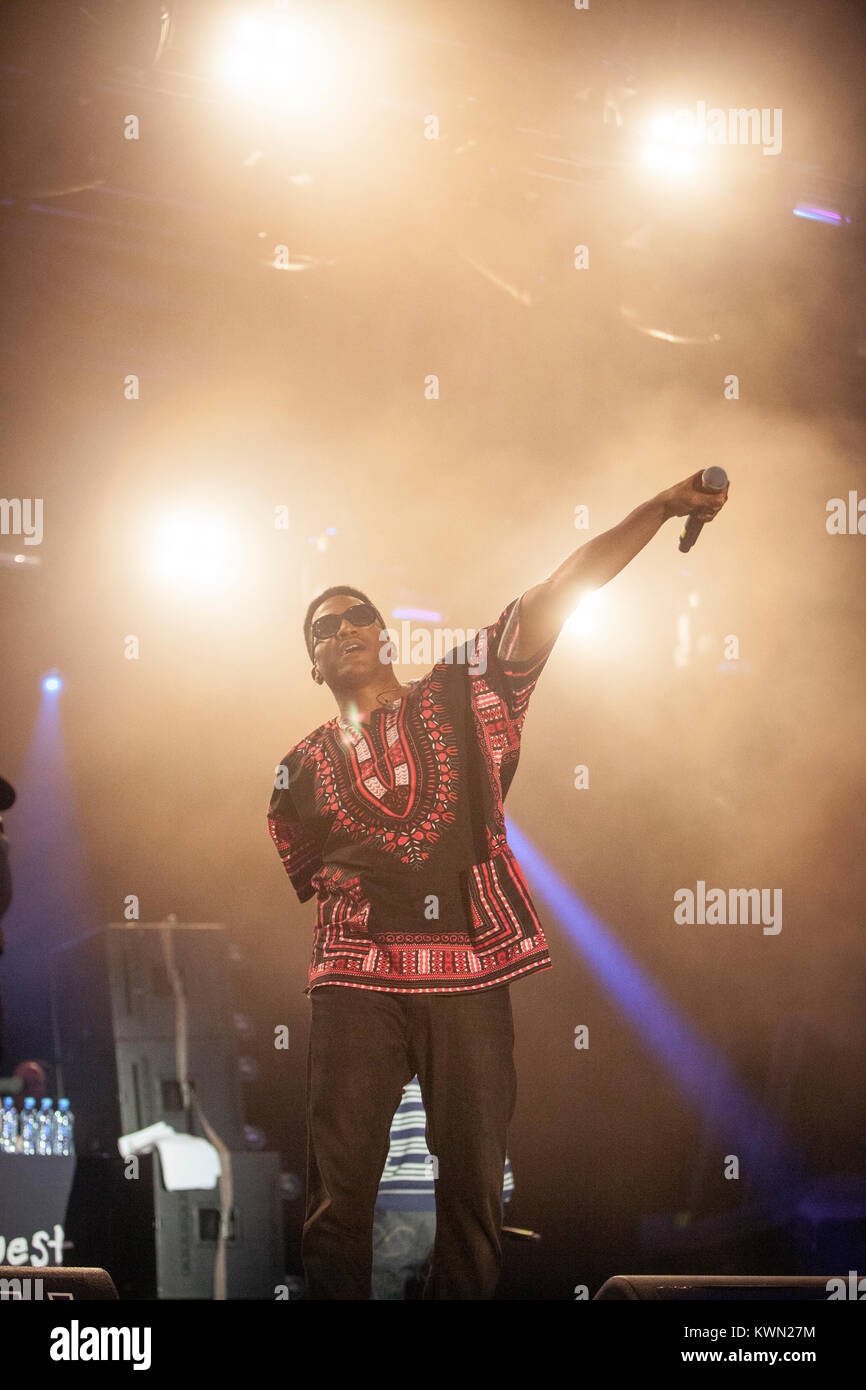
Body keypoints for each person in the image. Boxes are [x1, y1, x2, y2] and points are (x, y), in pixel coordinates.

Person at [267, 470, 728, 1299]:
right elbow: (309, 869)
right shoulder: (296, 770)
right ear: (312, 664)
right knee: (339, 1200)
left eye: (360, 614)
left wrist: (657, 510)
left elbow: (560, 590)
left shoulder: (463, 689)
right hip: (354, 983)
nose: (347, 628)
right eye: (324, 626)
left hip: (470, 974)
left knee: (473, 1195)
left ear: (386, 634)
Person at [371, 1075, 515, 1300]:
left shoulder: (391, 1072)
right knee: (453, 1285)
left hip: (396, 1202)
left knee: (382, 1281)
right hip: (456, 1208)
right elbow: (487, 1140)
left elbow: (370, 1136)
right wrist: (500, 1192)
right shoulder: (467, 1079)